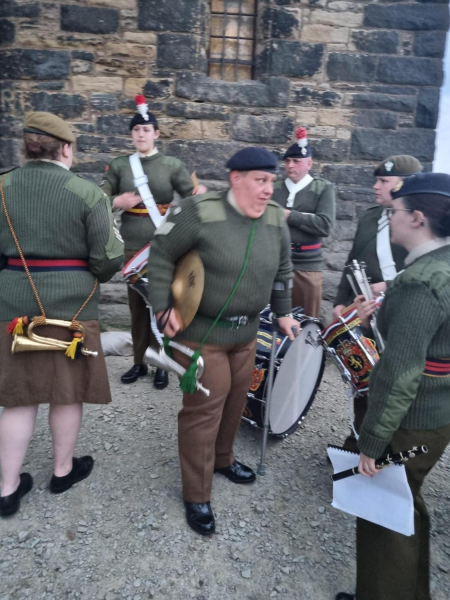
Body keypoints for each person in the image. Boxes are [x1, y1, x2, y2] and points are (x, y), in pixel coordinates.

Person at [147, 147, 299, 535]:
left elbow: (284, 268)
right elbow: (160, 252)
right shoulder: (200, 211)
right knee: (204, 410)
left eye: (272, 181)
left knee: (236, 401)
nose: (269, 190)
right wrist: (163, 307)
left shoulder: (274, 220)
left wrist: (282, 311)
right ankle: (196, 493)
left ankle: (222, 458)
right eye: (260, 181)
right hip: (203, 335)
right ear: (236, 178)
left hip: (247, 333)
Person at [0, 112, 124, 518]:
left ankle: (7, 488)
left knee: (18, 398)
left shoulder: (1, 187)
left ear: (27, 146)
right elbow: (107, 261)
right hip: (72, 308)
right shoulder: (88, 194)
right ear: (66, 148)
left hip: (13, 305)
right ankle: (62, 471)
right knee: (66, 392)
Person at [336, 172, 450, 600]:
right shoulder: (440, 267)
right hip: (435, 416)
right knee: (406, 502)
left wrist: (373, 441)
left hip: (409, 421)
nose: (391, 219)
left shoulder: (421, 282)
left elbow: (400, 373)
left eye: (395, 212)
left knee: (382, 516)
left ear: (418, 218)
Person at [101, 95, 206, 389]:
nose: (141, 134)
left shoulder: (172, 165)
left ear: (156, 133)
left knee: (163, 305)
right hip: (133, 247)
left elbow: (191, 196)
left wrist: (198, 196)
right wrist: (115, 201)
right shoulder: (120, 165)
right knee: (137, 308)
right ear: (131, 134)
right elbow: (99, 196)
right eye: (136, 130)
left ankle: (163, 363)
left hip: (164, 246)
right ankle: (139, 362)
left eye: (146, 130)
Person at [332, 155, 423, 451]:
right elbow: (352, 262)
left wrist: (389, 285)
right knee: (365, 378)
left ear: (404, 185)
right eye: (377, 181)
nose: (375, 187)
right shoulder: (370, 217)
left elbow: (433, 269)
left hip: (404, 315)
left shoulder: (422, 220)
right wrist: (341, 302)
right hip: (368, 315)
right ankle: (357, 440)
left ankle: (392, 450)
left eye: (383, 181)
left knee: (399, 383)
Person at [272, 127, 336, 318]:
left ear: (309, 164)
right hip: (274, 262)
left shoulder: (323, 188)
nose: (290, 165)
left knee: (306, 322)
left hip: (307, 266)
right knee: (270, 319)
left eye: (296, 161)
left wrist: (289, 215)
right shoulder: (274, 187)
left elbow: (325, 225)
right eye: (288, 161)